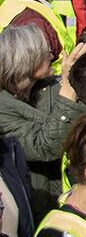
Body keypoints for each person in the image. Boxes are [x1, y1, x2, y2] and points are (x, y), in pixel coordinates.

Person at [0, 26, 81, 220]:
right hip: (36, 208)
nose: (52, 54)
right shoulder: (2, 109)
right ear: (25, 60)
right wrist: (68, 90)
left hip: (66, 197)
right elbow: (45, 146)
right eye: (44, 51)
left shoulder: (48, 87)